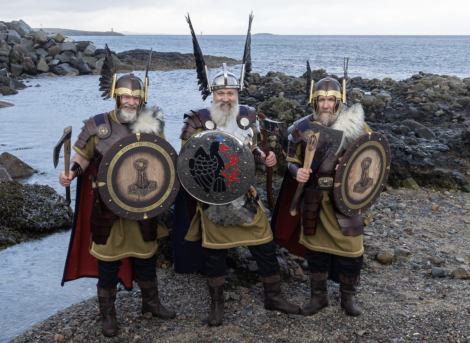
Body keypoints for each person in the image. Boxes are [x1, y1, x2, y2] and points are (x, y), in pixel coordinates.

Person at [173, 14, 300, 327]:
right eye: (220, 94)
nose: (226, 98)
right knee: (215, 252)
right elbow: (186, 161)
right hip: (213, 199)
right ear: (212, 95)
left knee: (263, 243)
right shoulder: (197, 119)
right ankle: (216, 304)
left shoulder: (249, 117)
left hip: (246, 196)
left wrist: (265, 160)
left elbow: (253, 151)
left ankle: (273, 296)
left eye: (230, 94)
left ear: (237, 94)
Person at [59, 45, 175, 337]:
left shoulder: (152, 125)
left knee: (146, 254)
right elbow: (82, 158)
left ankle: (151, 303)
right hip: (108, 207)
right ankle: (108, 315)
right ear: (116, 96)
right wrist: (71, 174)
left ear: (142, 99)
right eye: (126, 96)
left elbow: (163, 161)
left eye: (136, 98)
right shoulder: (98, 126)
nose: (131, 102)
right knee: (108, 261)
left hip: (142, 204)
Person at [272, 74, 372, 317]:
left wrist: (350, 167)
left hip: (345, 201)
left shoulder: (357, 127)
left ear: (339, 101)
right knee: (315, 252)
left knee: (352, 252)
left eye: (330, 99)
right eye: (321, 100)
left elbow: (371, 157)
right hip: (314, 199)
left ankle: (348, 299)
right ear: (313, 101)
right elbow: (290, 161)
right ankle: (319, 298)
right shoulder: (301, 128)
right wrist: (298, 173)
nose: (325, 105)